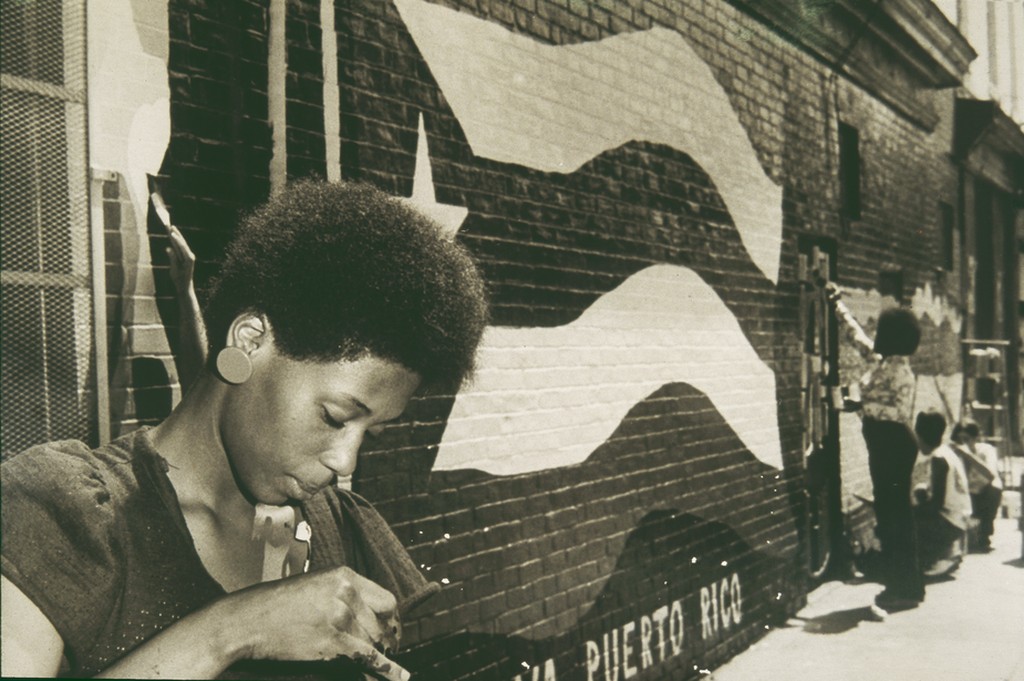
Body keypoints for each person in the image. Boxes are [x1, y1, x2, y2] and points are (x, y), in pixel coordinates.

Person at [1, 180, 489, 679]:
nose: (346, 462)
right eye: (335, 418)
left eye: (374, 432)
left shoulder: (331, 528)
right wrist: (237, 628)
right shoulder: (66, 518)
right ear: (251, 341)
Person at [828, 283, 924, 612]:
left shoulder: (900, 371)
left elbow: (893, 412)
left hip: (893, 443)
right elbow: (858, 340)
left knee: (894, 516)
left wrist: (859, 403)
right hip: (888, 442)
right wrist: (837, 306)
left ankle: (904, 587)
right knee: (892, 513)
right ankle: (904, 585)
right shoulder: (886, 363)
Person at [912, 411, 972, 577]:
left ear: (920, 434)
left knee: (902, 524)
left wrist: (908, 511)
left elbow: (936, 505)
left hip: (949, 522)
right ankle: (943, 557)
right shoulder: (946, 452)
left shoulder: (938, 458)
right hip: (959, 519)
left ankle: (935, 560)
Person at [950, 419, 1003, 552]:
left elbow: (991, 475)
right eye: (959, 440)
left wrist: (968, 455)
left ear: (975, 438)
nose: (963, 443)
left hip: (982, 496)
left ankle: (984, 533)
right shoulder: (953, 453)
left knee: (995, 486)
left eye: (966, 439)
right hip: (962, 497)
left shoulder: (986, 450)